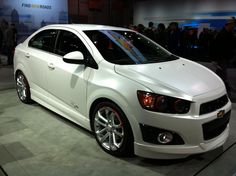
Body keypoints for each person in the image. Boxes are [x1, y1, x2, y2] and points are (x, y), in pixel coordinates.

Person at [213, 17, 235, 94]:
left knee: (220, 73)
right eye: (233, 24)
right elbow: (215, 47)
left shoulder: (230, 33)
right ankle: (227, 91)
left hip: (226, 57)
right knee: (223, 74)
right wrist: (214, 59)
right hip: (221, 58)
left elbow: (230, 45)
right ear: (229, 24)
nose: (234, 26)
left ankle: (215, 86)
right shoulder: (221, 33)